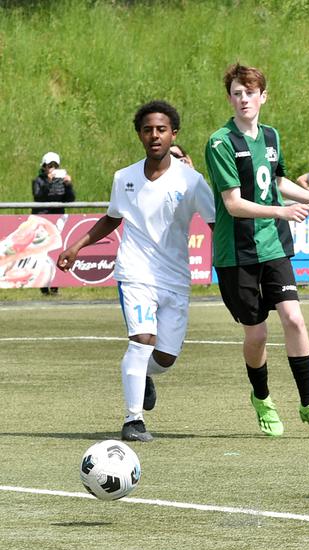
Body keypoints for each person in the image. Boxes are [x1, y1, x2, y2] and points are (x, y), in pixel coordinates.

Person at [205, 63, 309, 436]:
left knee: (295, 319)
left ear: (263, 97)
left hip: (273, 246)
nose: (243, 99)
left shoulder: (270, 136)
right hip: (236, 253)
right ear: (230, 98)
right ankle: (262, 397)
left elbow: (279, 179)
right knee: (256, 335)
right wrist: (281, 211)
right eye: (237, 93)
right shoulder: (220, 142)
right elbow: (234, 204)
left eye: (249, 92)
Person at [56, 100, 216, 442]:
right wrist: (76, 246)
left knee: (166, 358)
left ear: (174, 134)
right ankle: (133, 419)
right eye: (147, 130)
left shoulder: (191, 181)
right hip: (135, 272)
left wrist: (235, 264)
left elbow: (217, 222)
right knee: (142, 340)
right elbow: (113, 217)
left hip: (175, 278)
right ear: (139, 135)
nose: (154, 136)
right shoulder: (124, 177)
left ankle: (143, 376)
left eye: (161, 129)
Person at [32, 151, 75, 295]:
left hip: (57, 219)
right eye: (49, 165)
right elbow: (38, 197)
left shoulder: (62, 180)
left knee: (57, 251)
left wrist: (68, 185)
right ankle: (43, 286)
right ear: (43, 167)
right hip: (42, 219)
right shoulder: (38, 180)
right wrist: (48, 183)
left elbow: (70, 200)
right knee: (42, 252)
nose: (52, 168)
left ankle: (56, 285)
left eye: (54, 165)